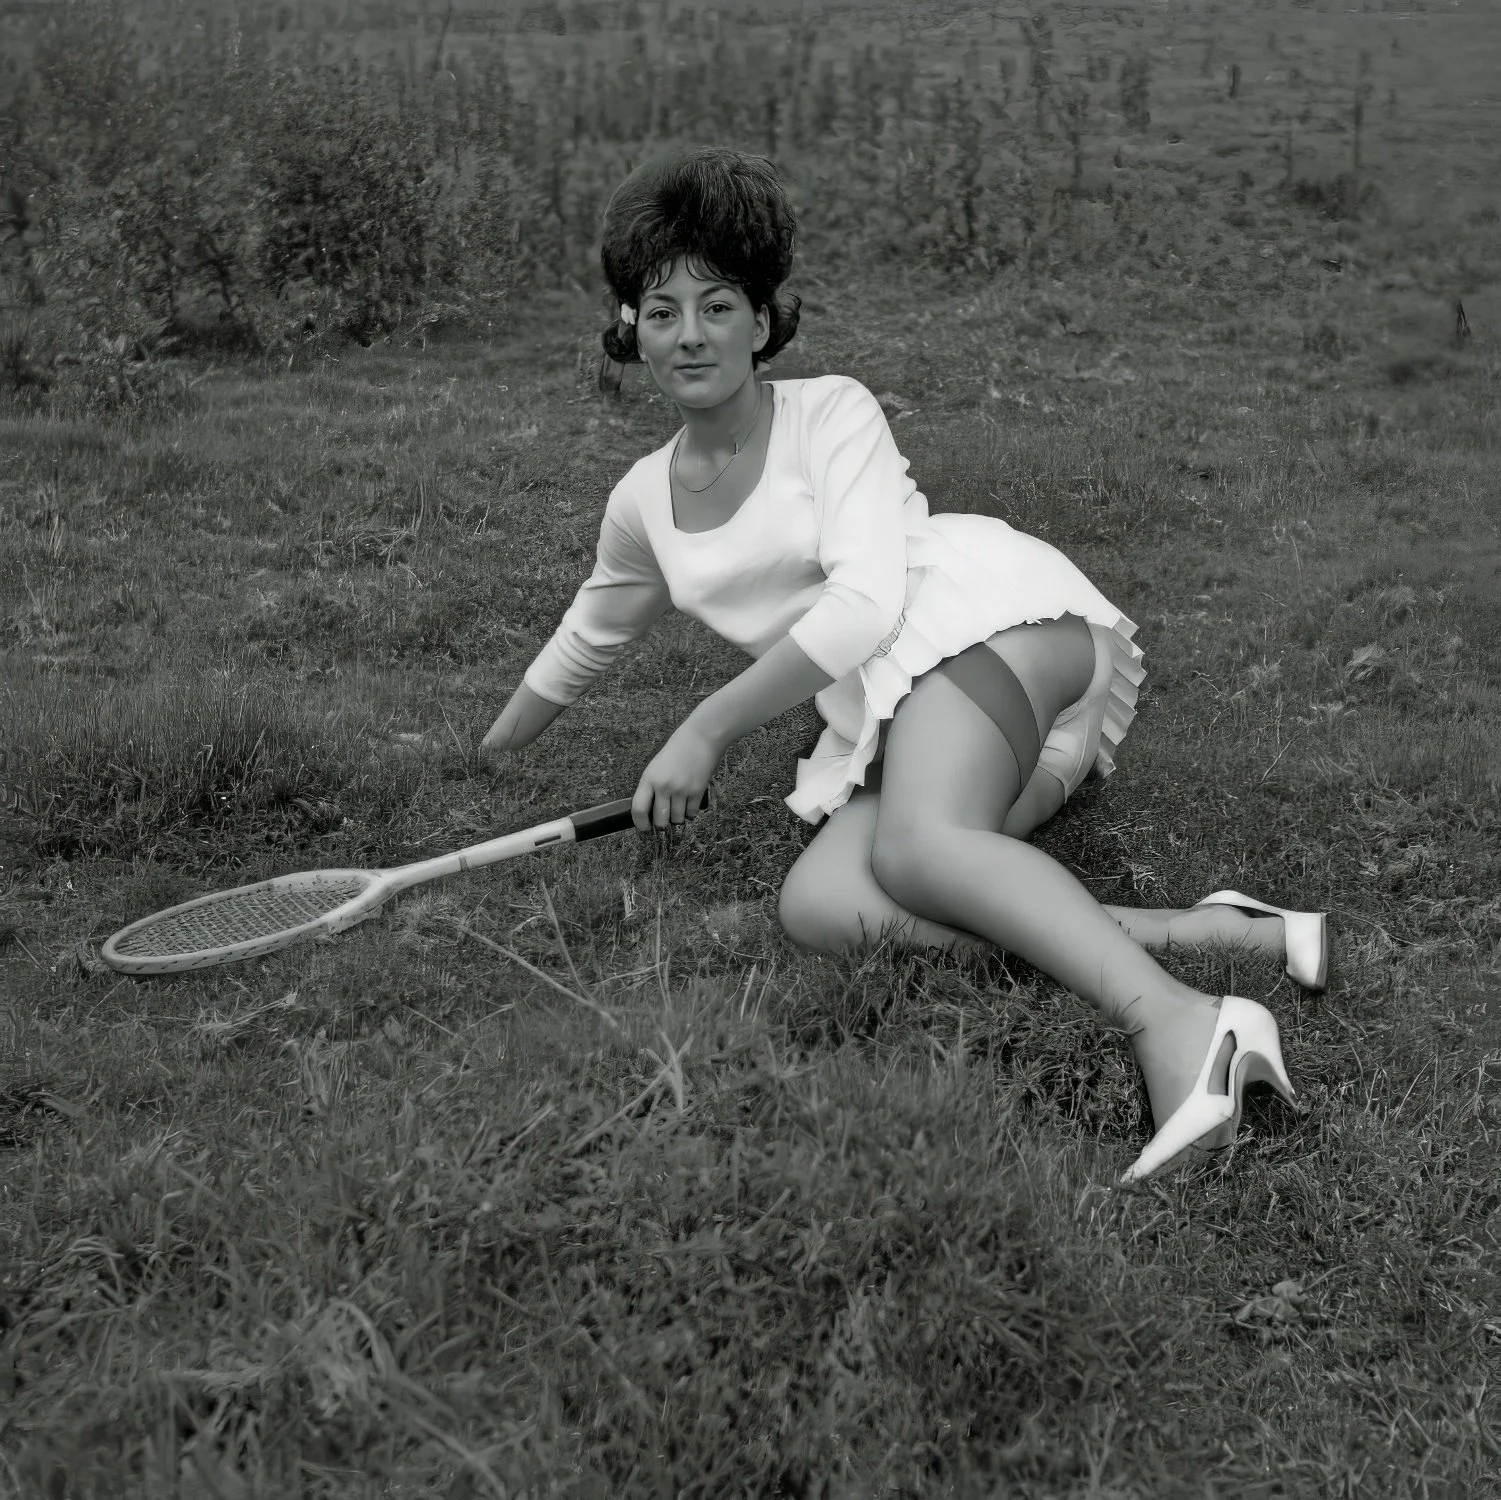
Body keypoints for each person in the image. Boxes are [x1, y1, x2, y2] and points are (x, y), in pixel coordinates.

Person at [481, 146, 1317, 1184]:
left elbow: (866, 608)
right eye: (662, 312)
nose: (690, 334)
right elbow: (588, 634)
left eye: (717, 305)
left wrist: (705, 729)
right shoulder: (642, 501)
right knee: (823, 906)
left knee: (917, 852)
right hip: (908, 723)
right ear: (630, 330)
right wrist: (488, 754)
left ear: (761, 321)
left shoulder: (832, 412)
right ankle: (1211, 933)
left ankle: (1189, 1024)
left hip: (994, 636)